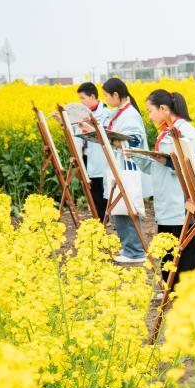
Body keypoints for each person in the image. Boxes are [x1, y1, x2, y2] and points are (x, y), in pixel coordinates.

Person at [139, 89, 195, 284]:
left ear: (163, 108)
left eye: (151, 111)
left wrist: (167, 161)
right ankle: (175, 301)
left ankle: (189, 304)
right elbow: (158, 166)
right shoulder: (166, 132)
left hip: (182, 207)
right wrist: (138, 156)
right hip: (167, 204)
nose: (150, 116)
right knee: (169, 260)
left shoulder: (186, 132)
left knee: (186, 261)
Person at [100, 77, 148, 264]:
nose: (106, 99)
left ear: (116, 95)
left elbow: (134, 139)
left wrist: (110, 140)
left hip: (127, 168)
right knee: (119, 208)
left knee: (126, 209)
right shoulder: (121, 112)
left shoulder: (129, 115)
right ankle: (129, 248)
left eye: (107, 96)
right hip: (120, 167)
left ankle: (134, 252)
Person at [74, 81, 109, 219]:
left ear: (93, 96)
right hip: (87, 158)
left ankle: (104, 223)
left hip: (101, 161)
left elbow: (106, 136)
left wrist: (90, 127)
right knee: (94, 197)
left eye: (83, 98)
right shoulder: (82, 114)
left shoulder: (105, 113)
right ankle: (98, 222)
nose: (81, 102)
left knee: (102, 196)